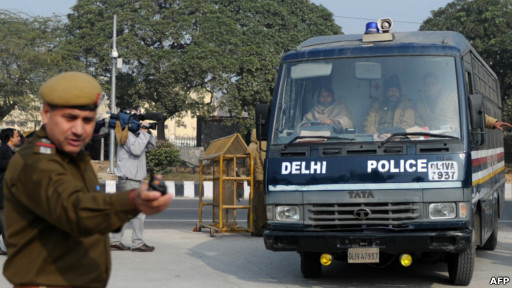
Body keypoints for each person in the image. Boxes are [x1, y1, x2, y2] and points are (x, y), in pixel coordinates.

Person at [2, 72, 172, 288]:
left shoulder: (71, 155)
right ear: (46, 114)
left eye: (87, 120)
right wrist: (132, 201)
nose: (79, 129)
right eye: (70, 118)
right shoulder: (39, 160)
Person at [110, 110, 156, 252]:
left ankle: (114, 242)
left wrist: (147, 132)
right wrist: (143, 132)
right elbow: (136, 149)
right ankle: (137, 244)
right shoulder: (126, 135)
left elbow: (149, 147)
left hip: (133, 179)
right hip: (129, 179)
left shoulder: (133, 135)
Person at [416, 72, 512, 131]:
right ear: (424, 87)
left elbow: (471, 113)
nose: (430, 87)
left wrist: (493, 123)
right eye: (427, 84)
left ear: (439, 85)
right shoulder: (419, 104)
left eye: (433, 83)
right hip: (429, 140)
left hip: (452, 139)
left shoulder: (453, 98)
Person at [0, 128, 21, 256]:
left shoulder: (12, 152)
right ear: (10, 139)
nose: (19, 138)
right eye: (17, 136)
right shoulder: (2, 150)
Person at [248, 129, 267, 236]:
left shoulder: (250, 146)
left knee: (253, 203)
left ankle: (252, 227)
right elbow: (265, 161)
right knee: (261, 206)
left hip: (253, 179)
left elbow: (247, 165)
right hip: (261, 178)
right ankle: (261, 228)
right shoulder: (262, 144)